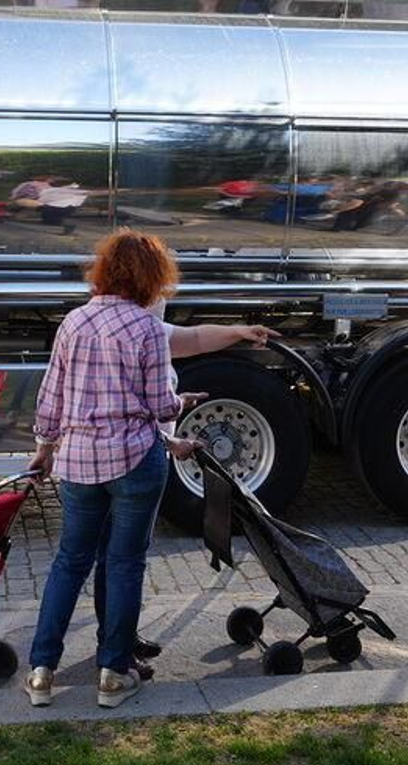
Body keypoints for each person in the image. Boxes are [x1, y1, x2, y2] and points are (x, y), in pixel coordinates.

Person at [25, 230, 188, 709]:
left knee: (69, 562)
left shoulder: (73, 322)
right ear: (153, 277)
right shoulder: (147, 328)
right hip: (135, 461)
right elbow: (161, 407)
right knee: (123, 565)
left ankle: (41, 671)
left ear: (104, 270)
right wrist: (182, 401)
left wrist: (44, 447)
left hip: (77, 462)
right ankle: (113, 674)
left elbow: (51, 395)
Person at [99, 306, 279, 678]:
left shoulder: (143, 327)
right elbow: (134, 408)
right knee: (123, 560)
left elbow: (194, 338)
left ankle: (117, 638)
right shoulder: (136, 331)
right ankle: (115, 652)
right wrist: (172, 437)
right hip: (134, 462)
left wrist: (239, 331)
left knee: (119, 558)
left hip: (137, 459)